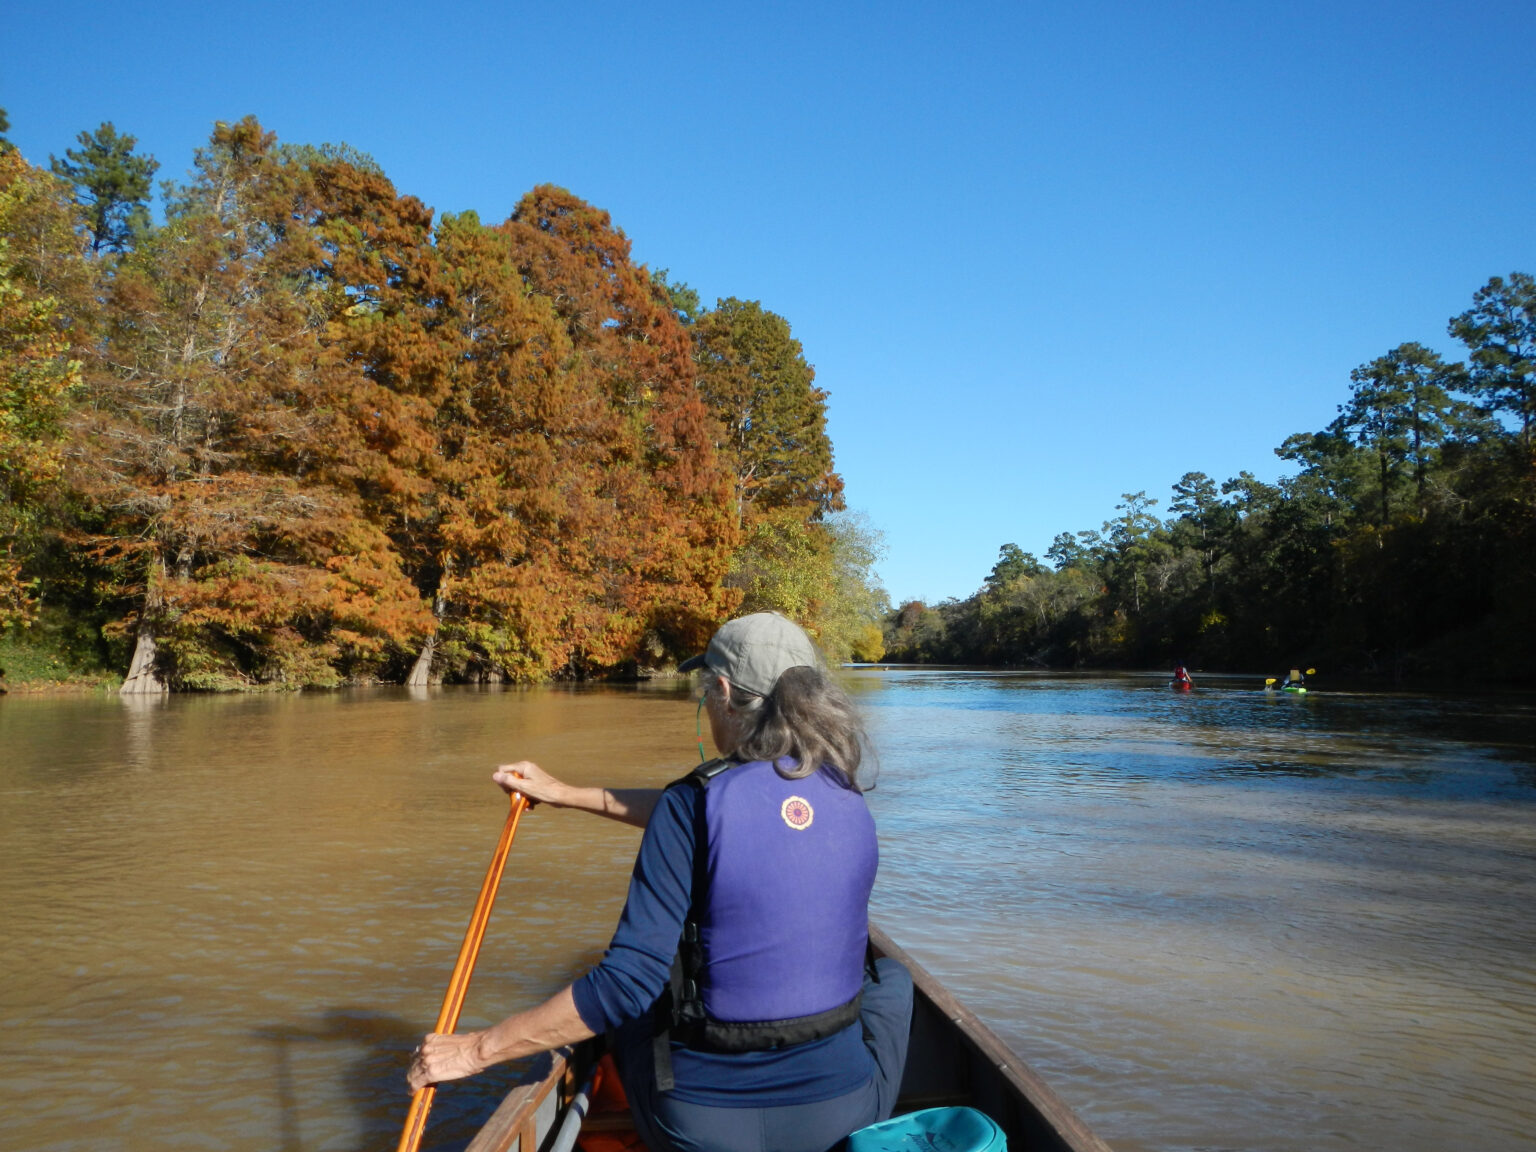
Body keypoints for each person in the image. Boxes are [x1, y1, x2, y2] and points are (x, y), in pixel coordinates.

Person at [407, 611, 913, 1152]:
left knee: (633, 1000)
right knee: (893, 980)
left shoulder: (691, 802)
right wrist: (566, 794)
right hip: (838, 1116)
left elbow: (625, 985)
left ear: (723, 693)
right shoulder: (845, 792)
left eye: (706, 692)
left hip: (701, 1128)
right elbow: (718, 820)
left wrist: (474, 1050)